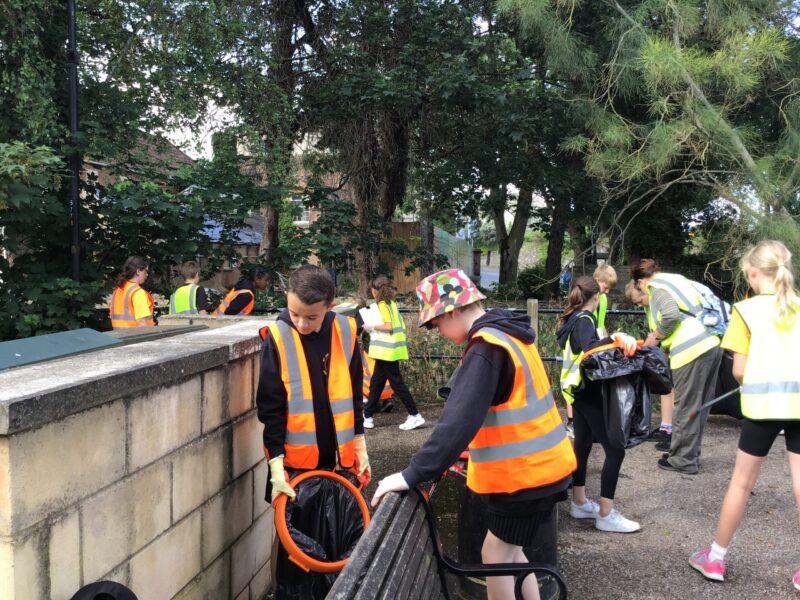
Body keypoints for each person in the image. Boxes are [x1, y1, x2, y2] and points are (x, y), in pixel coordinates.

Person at [371, 268, 576, 600]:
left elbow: (457, 422)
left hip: (524, 478)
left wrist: (413, 474)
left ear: (451, 310)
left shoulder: (485, 348)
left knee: (495, 557)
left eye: (436, 324)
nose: (438, 332)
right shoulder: (509, 333)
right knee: (512, 553)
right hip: (544, 470)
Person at [689, 241, 800, 590]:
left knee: (741, 483)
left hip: (761, 409)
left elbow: (738, 370)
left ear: (752, 271)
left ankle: (716, 559)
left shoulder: (745, 310)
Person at [256, 265, 370, 597]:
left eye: (311, 318)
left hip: (338, 466)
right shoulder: (277, 337)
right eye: (294, 314)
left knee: (336, 551)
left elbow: (352, 396)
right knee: (296, 559)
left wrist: (360, 445)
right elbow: (271, 409)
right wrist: (276, 465)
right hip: (294, 472)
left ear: (329, 308)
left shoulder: (346, 332)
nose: (302, 324)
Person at [557, 276, 641, 533]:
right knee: (616, 449)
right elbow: (589, 347)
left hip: (574, 390)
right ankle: (605, 514)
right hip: (586, 389)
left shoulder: (571, 318)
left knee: (582, 444)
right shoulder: (585, 320)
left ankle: (580, 502)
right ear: (596, 297)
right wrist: (614, 338)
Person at [633, 259, 722, 474]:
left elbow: (671, 315)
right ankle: (688, 454)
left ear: (639, 282)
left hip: (691, 350)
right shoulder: (676, 279)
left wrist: (655, 337)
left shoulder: (656, 287)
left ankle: (683, 460)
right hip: (711, 342)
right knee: (699, 407)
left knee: (685, 406)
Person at [362, 274, 424, 431]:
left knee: (397, 383)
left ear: (375, 290)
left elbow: (388, 327)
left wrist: (371, 327)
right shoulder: (392, 304)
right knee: (376, 383)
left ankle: (415, 415)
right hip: (391, 350)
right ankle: (368, 416)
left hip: (386, 351)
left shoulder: (382, 305)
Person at [625, 280, 674, 446]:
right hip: (668, 347)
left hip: (678, 348)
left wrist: (654, 340)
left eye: (639, 301)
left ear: (644, 292)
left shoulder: (657, 299)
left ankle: (669, 429)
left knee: (669, 388)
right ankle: (666, 427)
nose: (639, 306)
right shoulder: (650, 306)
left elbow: (666, 324)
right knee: (667, 387)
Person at [109, 256, 154, 329]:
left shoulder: (117, 290)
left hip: (119, 337)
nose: (147, 274)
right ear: (138, 271)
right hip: (137, 338)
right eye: (146, 271)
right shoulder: (138, 293)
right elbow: (142, 323)